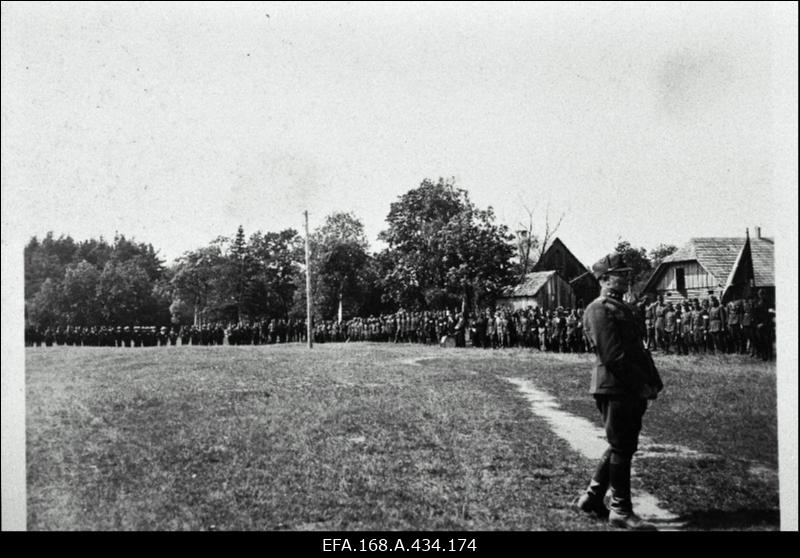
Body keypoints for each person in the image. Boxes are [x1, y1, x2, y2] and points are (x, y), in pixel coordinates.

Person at [575, 252, 663, 530]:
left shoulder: (620, 307)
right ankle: (621, 510)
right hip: (615, 385)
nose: (625, 277)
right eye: (619, 274)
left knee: (621, 443)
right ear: (603, 279)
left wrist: (653, 380)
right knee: (622, 446)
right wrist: (640, 383)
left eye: (626, 273)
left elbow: (638, 350)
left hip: (627, 385)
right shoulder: (599, 308)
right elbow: (614, 356)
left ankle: (592, 497)